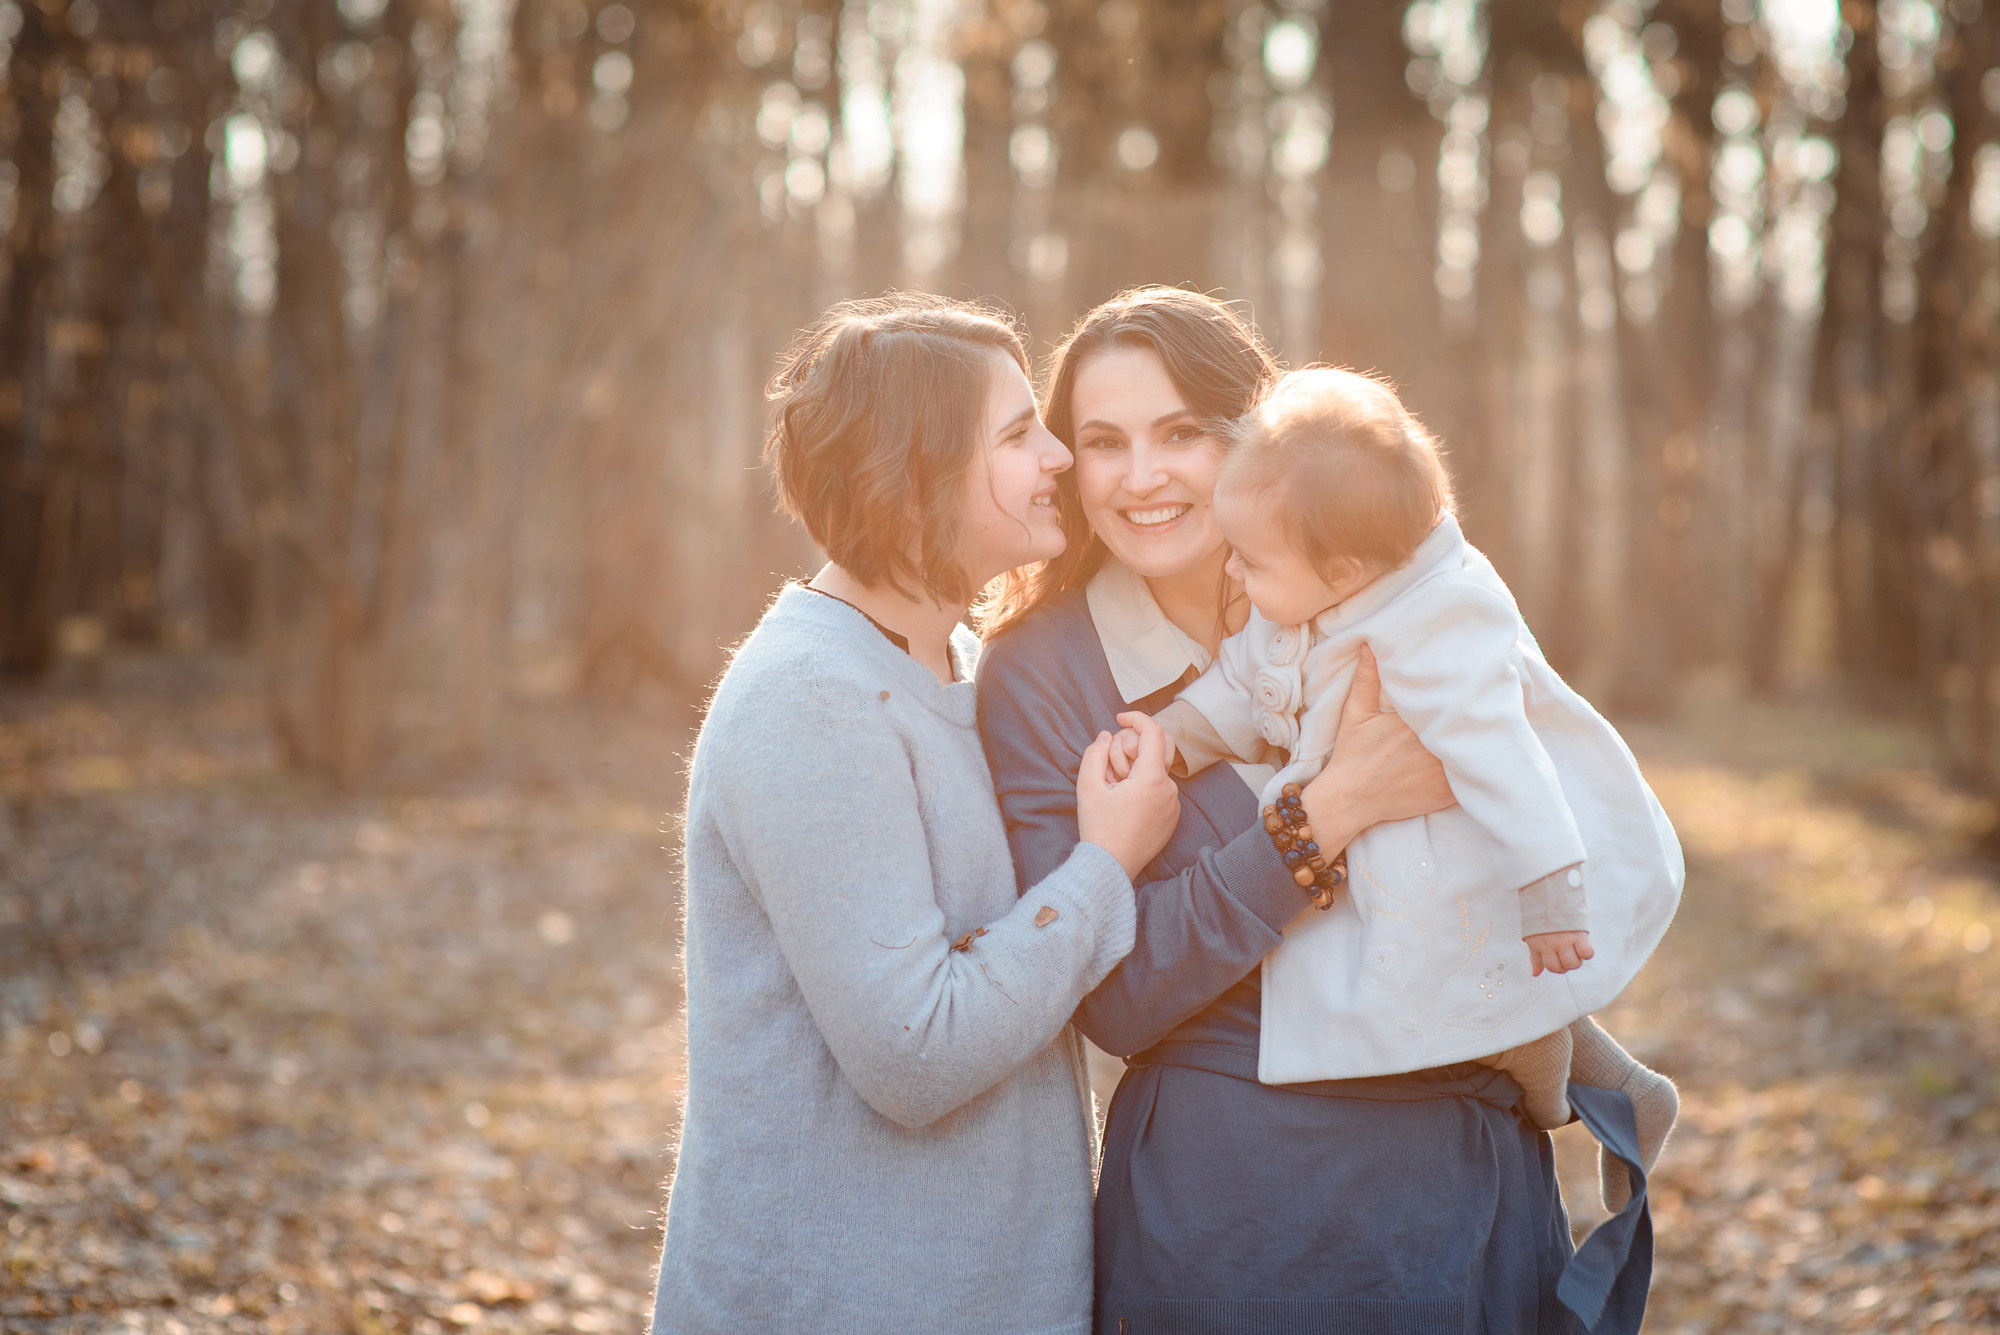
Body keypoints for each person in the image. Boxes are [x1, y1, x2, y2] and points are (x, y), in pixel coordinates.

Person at [978, 287, 1652, 1334]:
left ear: (1254, 439)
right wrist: (1323, 814)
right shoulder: (1045, 674)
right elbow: (1110, 997)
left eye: (1180, 434)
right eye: (1102, 442)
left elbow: (1512, 814)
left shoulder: (1389, 595)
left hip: (1461, 1170)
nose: (1142, 476)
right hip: (1236, 1200)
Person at [651, 294, 1182, 1334]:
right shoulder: (810, 698)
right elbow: (914, 1051)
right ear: (922, 473)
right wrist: (1103, 865)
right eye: (1020, 433)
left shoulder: (962, 671)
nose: (1062, 459)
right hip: (837, 1301)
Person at [1128, 365, 1682, 1213]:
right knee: (1475, 992)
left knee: (1495, 1001)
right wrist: (1171, 738)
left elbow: (1504, 756)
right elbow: (1242, 689)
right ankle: (1625, 1088)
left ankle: (1553, 1099)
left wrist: (1550, 887)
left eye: (1252, 560)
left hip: (1462, 844)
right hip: (1377, 840)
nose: (1234, 575)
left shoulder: (1438, 621)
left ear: (1344, 567)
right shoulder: (1299, 604)